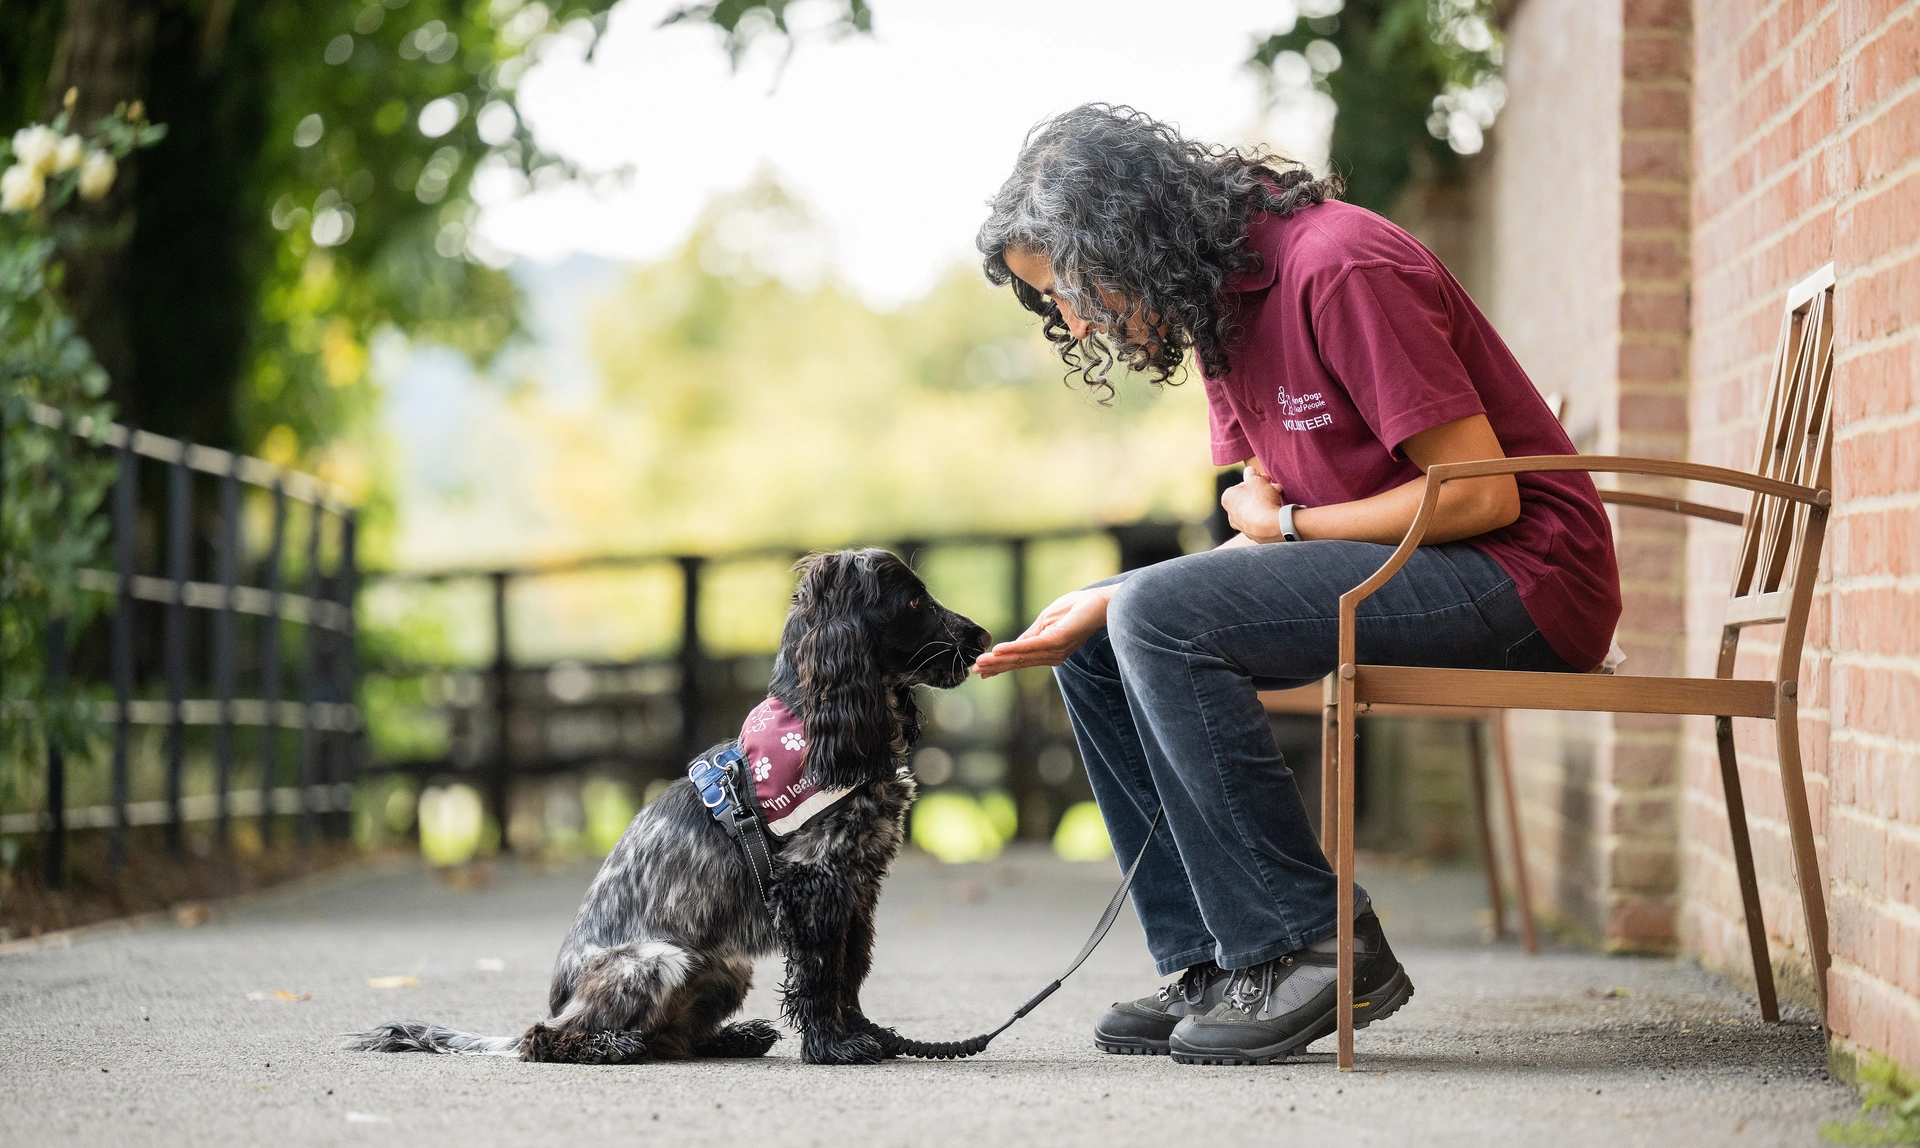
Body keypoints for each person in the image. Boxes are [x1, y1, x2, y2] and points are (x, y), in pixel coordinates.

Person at [970, 105, 1620, 1065]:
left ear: (1123, 235)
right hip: (1401, 568)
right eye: (1049, 303)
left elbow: (1481, 497)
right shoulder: (1218, 313)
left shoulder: (1337, 266)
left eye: (1066, 285)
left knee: (1154, 612)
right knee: (1107, 639)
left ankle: (1310, 945)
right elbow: (1267, 539)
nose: (1070, 318)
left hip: (1523, 576)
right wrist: (1113, 594)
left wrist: (1289, 528)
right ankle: (1217, 961)